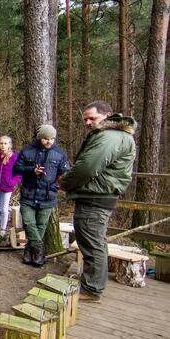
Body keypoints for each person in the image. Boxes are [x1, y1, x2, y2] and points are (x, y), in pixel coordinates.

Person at [60, 102, 136, 302]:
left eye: (92, 118)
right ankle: (91, 282)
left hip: (97, 196)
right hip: (97, 194)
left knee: (92, 242)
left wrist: (66, 182)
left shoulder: (110, 137)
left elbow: (88, 167)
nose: (87, 122)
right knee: (92, 240)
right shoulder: (113, 136)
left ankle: (92, 288)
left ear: (107, 115)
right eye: (85, 119)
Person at [14, 124, 69, 267]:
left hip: (48, 196)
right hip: (28, 194)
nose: (49, 141)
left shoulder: (60, 154)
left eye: (52, 138)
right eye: (45, 138)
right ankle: (39, 248)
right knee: (28, 223)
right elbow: (17, 168)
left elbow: (65, 173)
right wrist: (32, 170)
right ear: (40, 138)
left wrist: (59, 184)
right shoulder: (27, 151)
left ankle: (29, 250)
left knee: (41, 225)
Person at [0, 136, 22, 234]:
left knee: (5, 209)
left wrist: (11, 182)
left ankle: (3, 230)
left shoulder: (14, 156)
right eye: (1, 143)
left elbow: (18, 173)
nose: (3, 145)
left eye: (5, 143)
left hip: (7, 187)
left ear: (9, 145)